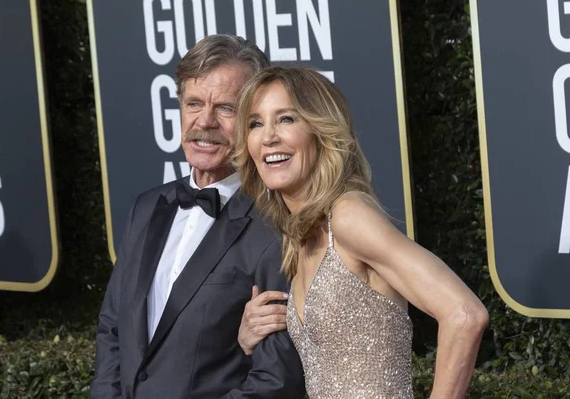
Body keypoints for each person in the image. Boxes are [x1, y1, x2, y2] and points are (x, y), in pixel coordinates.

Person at [233, 66, 489, 398]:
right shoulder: (299, 238)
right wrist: (248, 336)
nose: (268, 137)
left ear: (321, 130)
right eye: (256, 123)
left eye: (286, 119)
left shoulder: (348, 216)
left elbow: (465, 315)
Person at [90, 36, 305, 399]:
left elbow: (277, 380)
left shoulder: (276, 226)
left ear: (255, 118)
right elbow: (113, 329)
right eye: (193, 103)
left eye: (225, 108)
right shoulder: (146, 208)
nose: (203, 122)